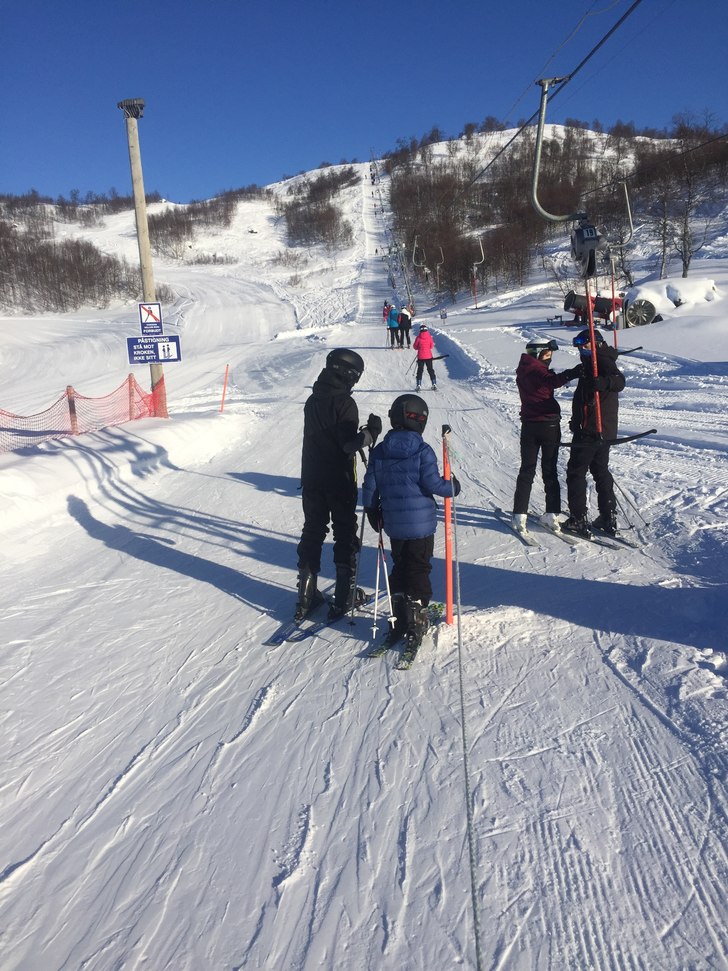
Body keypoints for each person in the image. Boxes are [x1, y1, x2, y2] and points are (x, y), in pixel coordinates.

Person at [362, 394, 460, 649]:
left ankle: (399, 607)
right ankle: (416, 613)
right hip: (421, 525)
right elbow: (433, 484)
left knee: (401, 563)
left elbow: (370, 485)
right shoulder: (421, 450)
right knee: (418, 566)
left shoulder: (381, 450)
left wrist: (372, 510)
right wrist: (453, 487)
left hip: (394, 524)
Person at [296, 348, 383, 622]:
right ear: (349, 374)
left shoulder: (313, 399)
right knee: (344, 533)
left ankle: (306, 596)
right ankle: (344, 595)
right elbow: (348, 444)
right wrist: (372, 433)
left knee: (313, 531)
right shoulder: (344, 402)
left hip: (311, 478)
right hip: (338, 479)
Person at [511, 338, 582, 533]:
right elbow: (552, 381)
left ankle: (521, 514)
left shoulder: (525, 367)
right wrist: (573, 372)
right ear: (537, 353)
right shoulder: (536, 370)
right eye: (547, 354)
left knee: (528, 469)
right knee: (548, 469)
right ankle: (549, 514)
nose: (549, 359)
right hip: (548, 425)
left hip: (530, 425)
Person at [563, 329, 626, 538]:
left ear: (597, 343)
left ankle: (577, 518)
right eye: (579, 345)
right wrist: (575, 419)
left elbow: (619, 381)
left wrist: (604, 383)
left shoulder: (602, 361)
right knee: (600, 470)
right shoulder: (593, 362)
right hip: (601, 429)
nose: (582, 348)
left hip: (592, 430)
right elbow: (583, 397)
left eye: (585, 344)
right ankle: (607, 517)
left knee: (576, 471)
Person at [413, 323, 437, 389]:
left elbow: (415, 346)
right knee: (430, 370)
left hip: (421, 356)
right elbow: (431, 346)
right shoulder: (429, 337)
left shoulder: (418, 338)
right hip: (428, 356)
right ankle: (434, 384)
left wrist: (419, 348)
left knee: (420, 370)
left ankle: (418, 385)